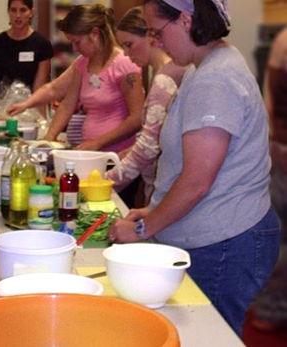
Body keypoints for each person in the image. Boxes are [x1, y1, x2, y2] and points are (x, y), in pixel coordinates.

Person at [108, 0, 281, 337]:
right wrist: (152, 210)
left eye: (158, 32)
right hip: (217, 232)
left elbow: (196, 182)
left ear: (186, 20)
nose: (156, 42)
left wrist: (144, 230)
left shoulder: (214, 80)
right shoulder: (202, 66)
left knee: (205, 338)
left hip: (225, 241)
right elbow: (188, 169)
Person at [105, 6, 187, 202]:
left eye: (129, 44)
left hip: (165, 186)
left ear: (150, 37)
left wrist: (106, 181)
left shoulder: (164, 79)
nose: (126, 54)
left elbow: (149, 147)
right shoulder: (161, 72)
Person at [43, 4, 145, 153]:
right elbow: (67, 105)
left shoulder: (124, 64)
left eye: (77, 42)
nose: (74, 48)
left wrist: (98, 142)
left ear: (95, 34)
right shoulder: (83, 63)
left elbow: (137, 117)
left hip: (117, 155)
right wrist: (49, 138)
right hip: (92, 152)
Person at [249, 26, 287, 332]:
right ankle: (271, 309)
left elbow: (270, 99)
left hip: (279, 146)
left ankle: (270, 308)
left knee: (278, 235)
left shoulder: (282, 42)